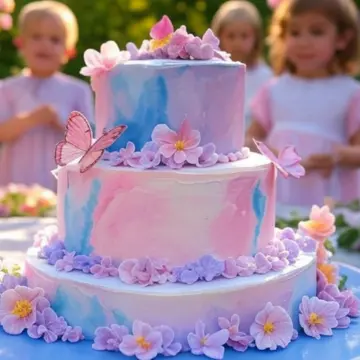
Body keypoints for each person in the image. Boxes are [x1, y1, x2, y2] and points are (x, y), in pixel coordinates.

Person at [246, 0, 360, 208]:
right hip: (279, 199)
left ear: (342, 39)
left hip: (329, 202)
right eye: (295, 32)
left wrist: (337, 156)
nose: (303, 42)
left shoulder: (350, 92)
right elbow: (250, 139)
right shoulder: (273, 90)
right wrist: (274, 155)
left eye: (316, 32)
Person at [0, 1, 94, 191]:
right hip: (14, 185)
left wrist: (59, 120)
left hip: (60, 183)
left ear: (69, 51)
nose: (45, 44)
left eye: (55, 39)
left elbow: (90, 141)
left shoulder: (78, 90)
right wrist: (33, 119)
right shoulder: (6, 88)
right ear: (20, 43)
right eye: (36, 36)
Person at [211, 0, 272, 128]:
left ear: (256, 38)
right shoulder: (211, 73)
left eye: (244, 36)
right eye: (231, 36)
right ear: (218, 37)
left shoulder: (266, 77)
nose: (237, 43)